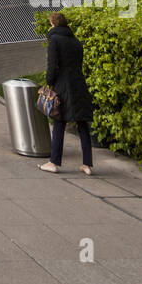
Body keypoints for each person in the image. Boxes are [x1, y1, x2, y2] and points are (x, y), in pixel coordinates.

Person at [39, 11, 95, 176]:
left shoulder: (54, 40)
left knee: (59, 121)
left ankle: (53, 162)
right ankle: (87, 165)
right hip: (79, 85)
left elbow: (53, 65)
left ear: (53, 24)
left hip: (63, 86)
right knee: (83, 124)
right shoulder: (76, 41)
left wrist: (49, 82)